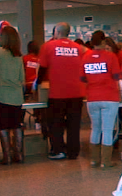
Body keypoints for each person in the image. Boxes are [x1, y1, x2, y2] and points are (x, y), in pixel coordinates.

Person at [36, 22, 86, 160]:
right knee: (74, 123)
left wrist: (38, 83)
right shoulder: (78, 48)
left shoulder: (48, 46)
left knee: (56, 123)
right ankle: (73, 151)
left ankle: (58, 150)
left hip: (57, 92)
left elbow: (43, 68)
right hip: (77, 91)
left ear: (56, 33)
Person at [82, 30, 122, 168]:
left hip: (92, 97)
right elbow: (117, 76)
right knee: (107, 129)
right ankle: (106, 161)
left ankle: (94, 160)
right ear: (104, 42)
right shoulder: (111, 56)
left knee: (95, 128)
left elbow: (82, 77)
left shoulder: (85, 57)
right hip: (109, 97)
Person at [0, 26, 25, 165]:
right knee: (16, 125)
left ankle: (7, 156)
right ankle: (19, 154)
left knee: (3, 126)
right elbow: (22, 76)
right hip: (17, 96)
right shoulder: (18, 55)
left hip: (2, 94)